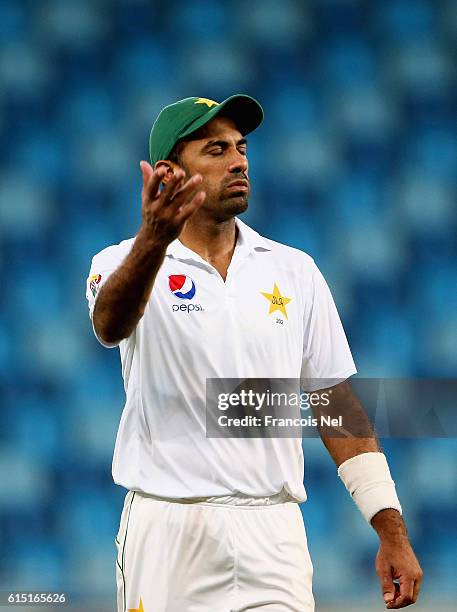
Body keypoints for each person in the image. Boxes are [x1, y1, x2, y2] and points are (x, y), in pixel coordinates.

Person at [85, 95, 423, 612]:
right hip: (170, 530)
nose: (239, 161)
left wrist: (390, 528)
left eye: (241, 148)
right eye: (215, 150)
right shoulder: (121, 262)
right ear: (170, 172)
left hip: (274, 533)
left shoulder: (294, 271)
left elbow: (336, 405)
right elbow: (110, 326)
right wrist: (154, 239)